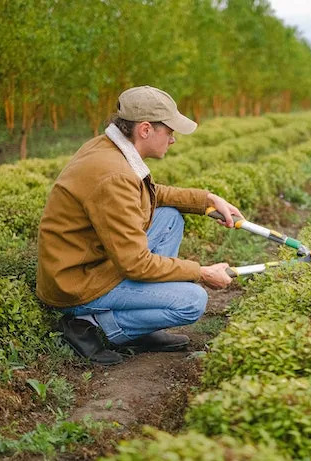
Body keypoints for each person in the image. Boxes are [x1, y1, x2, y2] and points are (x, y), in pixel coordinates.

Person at [36, 86, 241, 364]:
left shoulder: (110, 148)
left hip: (94, 261)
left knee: (169, 216)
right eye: (169, 131)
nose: (173, 140)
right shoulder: (114, 175)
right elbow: (135, 264)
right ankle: (91, 325)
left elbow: (152, 193)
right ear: (145, 130)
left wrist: (206, 200)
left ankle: (139, 322)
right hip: (78, 283)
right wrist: (201, 272)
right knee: (192, 301)